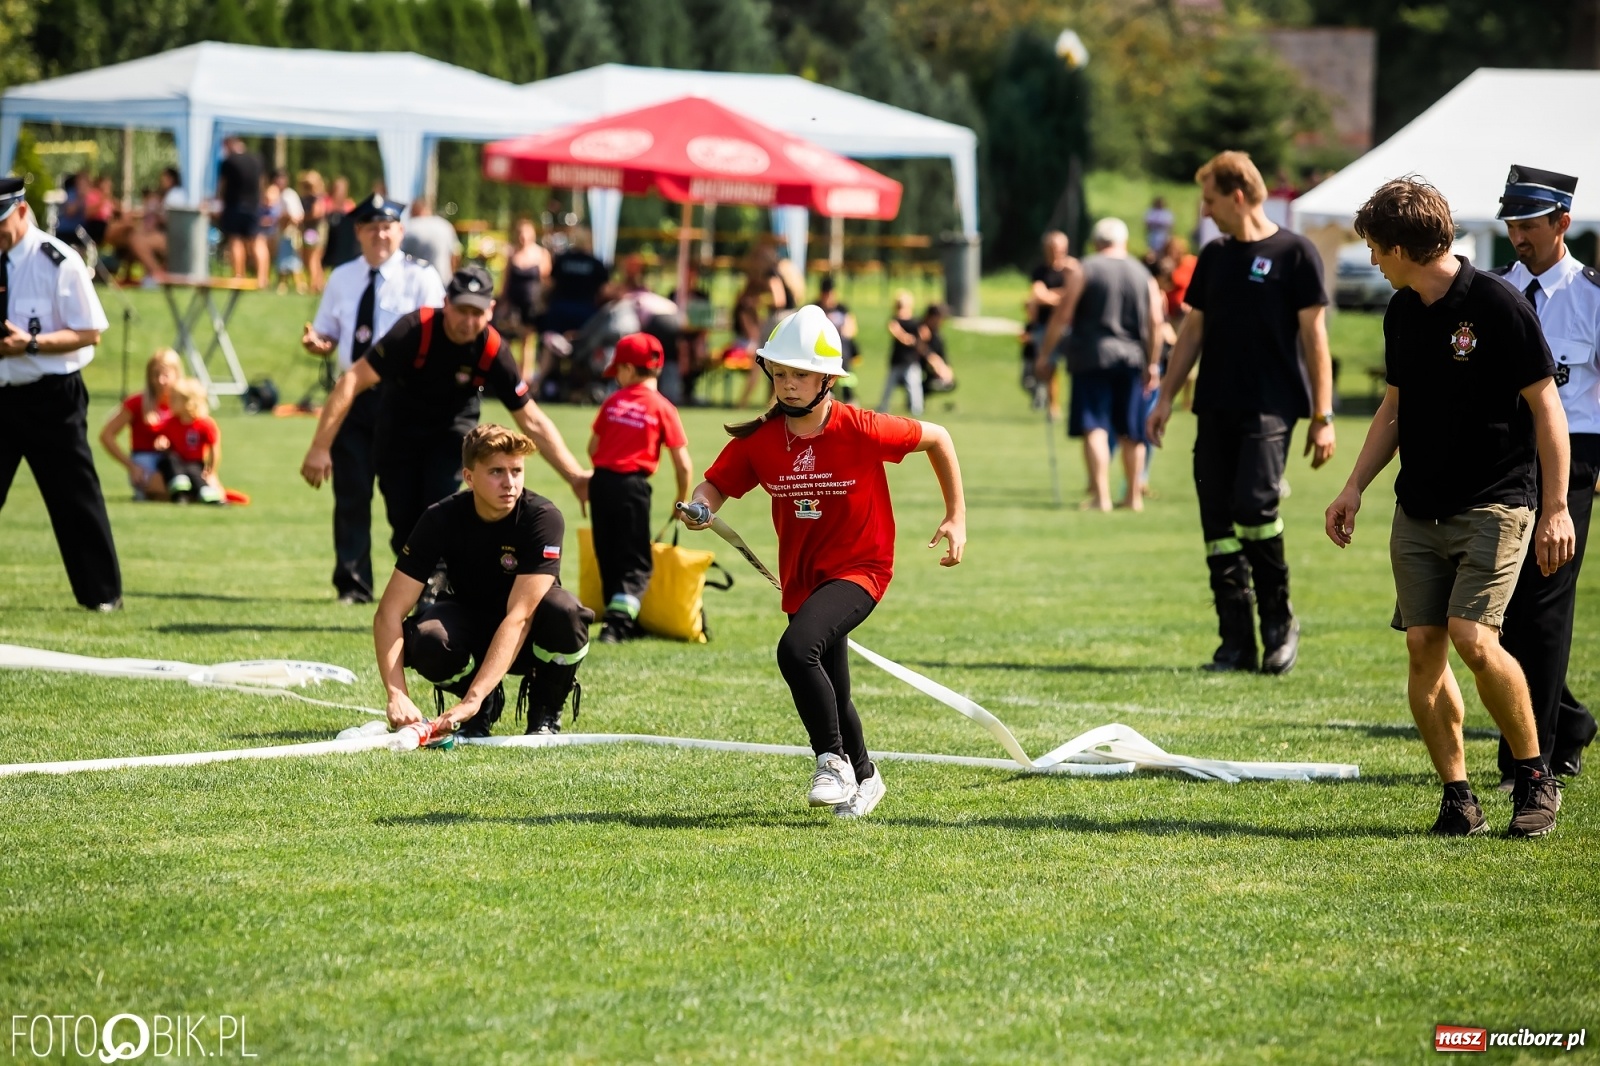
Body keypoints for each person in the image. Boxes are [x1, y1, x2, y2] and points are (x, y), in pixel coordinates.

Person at [1325, 176, 1573, 838]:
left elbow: (1548, 408)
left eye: (1377, 248)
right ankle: (1458, 796)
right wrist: (1354, 486)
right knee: (1424, 647)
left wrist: (1556, 507)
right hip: (1418, 509)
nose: (1373, 260)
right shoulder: (1403, 310)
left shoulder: (1496, 304)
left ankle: (1534, 776)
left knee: (1473, 638)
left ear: (1405, 246)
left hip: (1496, 503)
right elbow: (1395, 408)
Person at [681, 305, 967, 819]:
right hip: (802, 578)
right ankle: (867, 776)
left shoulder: (862, 427)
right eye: (781, 373)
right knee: (834, 688)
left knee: (796, 651)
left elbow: (938, 438)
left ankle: (830, 761)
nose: (788, 385)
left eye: (801, 374)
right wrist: (701, 507)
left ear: (828, 379)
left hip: (862, 569)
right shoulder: (762, 441)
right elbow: (716, 484)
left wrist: (956, 517)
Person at [1147, 151, 1336, 675]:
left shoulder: (1296, 253)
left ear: (1236, 195)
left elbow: (1314, 336)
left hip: (1271, 408)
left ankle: (1279, 624)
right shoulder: (1214, 257)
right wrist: (1165, 398)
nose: (1204, 211)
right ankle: (1235, 642)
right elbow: (1192, 331)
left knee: (1254, 509)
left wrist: (1323, 415)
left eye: (1209, 200)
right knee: (1217, 523)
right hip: (1215, 407)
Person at [302, 263, 590, 574]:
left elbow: (531, 419)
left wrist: (574, 476)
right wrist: (320, 447)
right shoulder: (413, 330)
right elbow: (352, 380)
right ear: (446, 303)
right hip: (398, 431)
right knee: (403, 522)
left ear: (491, 310)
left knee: (437, 507)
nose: (468, 322)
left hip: (452, 433)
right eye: (462, 310)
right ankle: (423, 584)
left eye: (477, 313)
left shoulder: (492, 348)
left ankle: (437, 592)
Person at [376, 424, 593, 739]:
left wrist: (470, 700)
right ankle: (482, 708)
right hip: (471, 623)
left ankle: (545, 711)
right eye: (496, 472)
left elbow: (520, 617)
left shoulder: (541, 517)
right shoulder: (440, 518)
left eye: (517, 471)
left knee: (567, 614)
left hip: (528, 632)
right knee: (427, 639)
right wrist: (396, 694)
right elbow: (389, 613)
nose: (510, 483)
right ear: (469, 478)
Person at [1493, 165, 1600, 784]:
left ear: (1563, 222)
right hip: (1504, 462)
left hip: (1574, 462)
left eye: (1529, 224)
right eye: (1511, 224)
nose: (1518, 237)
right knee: (1499, 613)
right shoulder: (1494, 291)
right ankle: (1572, 722)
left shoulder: (1593, 297)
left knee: (1544, 610)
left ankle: (1529, 760)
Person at [300, 194, 446, 604]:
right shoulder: (342, 277)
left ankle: (422, 584)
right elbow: (330, 331)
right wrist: (319, 342)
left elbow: (435, 335)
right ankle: (353, 584)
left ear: (400, 231)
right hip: (353, 397)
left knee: (405, 498)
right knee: (351, 491)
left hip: (403, 397)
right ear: (358, 232)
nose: (380, 235)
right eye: (371, 227)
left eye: (388, 227)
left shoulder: (421, 277)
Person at [0, 178, 121, 610]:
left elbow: (90, 333)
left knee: (74, 497)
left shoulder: (57, 260)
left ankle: (102, 595)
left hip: (51, 397)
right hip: (2, 393)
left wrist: (30, 344)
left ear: (21, 211)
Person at [1041, 217, 1164, 513]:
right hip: (1132, 358)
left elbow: (1063, 314)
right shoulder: (1142, 273)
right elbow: (1156, 321)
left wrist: (1046, 354)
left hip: (1091, 356)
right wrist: (1153, 363)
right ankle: (1133, 497)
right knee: (1131, 430)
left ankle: (1101, 496)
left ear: (1097, 243)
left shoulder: (1087, 268)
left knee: (1094, 424)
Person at [588, 333, 692, 643]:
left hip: (601, 482)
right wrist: (680, 499)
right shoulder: (663, 408)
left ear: (630, 370)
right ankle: (618, 625)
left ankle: (618, 617)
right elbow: (683, 464)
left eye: (617, 371)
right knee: (636, 559)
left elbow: (593, 448)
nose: (617, 378)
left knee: (608, 552)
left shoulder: (613, 402)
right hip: (632, 487)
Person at [100, 348, 182, 500]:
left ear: (177, 374)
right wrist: (131, 466)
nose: (160, 380)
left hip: (175, 461)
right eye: (155, 375)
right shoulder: (137, 403)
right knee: (162, 490)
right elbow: (107, 435)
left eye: (165, 375)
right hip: (145, 460)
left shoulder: (185, 403)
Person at [1025, 231, 1076, 412]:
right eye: (1053, 248)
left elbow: (1075, 294)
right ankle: (1053, 407)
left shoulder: (1071, 269)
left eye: (1060, 248)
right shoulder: (1040, 271)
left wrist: (1053, 295)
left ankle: (1075, 405)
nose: (1057, 251)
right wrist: (1062, 296)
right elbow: (1038, 295)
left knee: (1077, 367)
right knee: (1049, 367)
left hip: (1070, 326)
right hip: (1045, 326)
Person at [152, 379, 224, 505]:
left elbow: (214, 448)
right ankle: (180, 492)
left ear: (188, 402)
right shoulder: (171, 422)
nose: (170, 402)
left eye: (174, 399)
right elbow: (159, 434)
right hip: (177, 462)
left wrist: (211, 470)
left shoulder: (205, 424)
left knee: (194, 472)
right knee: (169, 460)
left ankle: (206, 493)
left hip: (195, 463)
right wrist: (160, 442)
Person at [497, 217, 550, 382]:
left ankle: (525, 377)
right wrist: (503, 302)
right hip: (514, 303)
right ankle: (509, 373)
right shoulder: (512, 253)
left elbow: (546, 281)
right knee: (510, 339)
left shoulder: (541, 253)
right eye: (521, 233)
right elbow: (506, 281)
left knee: (528, 341)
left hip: (531, 303)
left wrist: (543, 302)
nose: (523, 237)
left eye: (526, 233)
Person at [216, 136, 264, 285]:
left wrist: (218, 200)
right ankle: (262, 278)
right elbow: (262, 183)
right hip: (254, 206)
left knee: (235, 240)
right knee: (257, 241)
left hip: (234, 205)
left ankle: (239, 276)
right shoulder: (257, 159)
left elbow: (222, 186)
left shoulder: (228, 161)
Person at [878, 290, 924, 416]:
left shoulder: (916, 322)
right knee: (888, 388)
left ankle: (916, 410)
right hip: (897, 360)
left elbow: (924, 336)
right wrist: (910, 339)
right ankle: (883, 407)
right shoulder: (894, 320)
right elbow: (899, 334)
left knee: (914, 387)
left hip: (911, 360)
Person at [400, 198, 461, 286]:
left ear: (414, 211)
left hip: (415, 284)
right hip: (443, 281)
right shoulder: (445, 225)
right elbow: (455, 256)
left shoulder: (409, 227)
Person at [1144, 196, 1175, 262]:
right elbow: (1147, 224)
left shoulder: (1167, 213)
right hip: (1153, 237)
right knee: (1152, 256)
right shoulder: (1151, 212)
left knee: (1163, 256)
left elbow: (1170, 225)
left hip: (1163, 237)